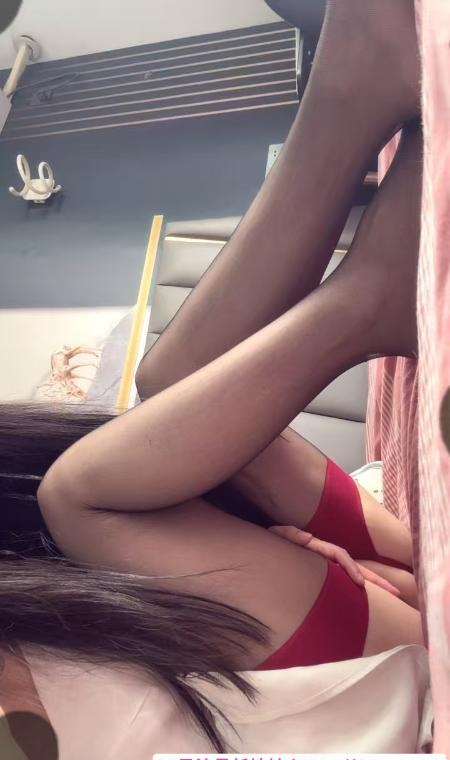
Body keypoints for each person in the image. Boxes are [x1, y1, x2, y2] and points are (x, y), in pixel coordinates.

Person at [0, 0, 424, 751]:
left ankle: (358, 98)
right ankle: (371, 290)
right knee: (81, 496)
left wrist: (327, 563)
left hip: (336, 632)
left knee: (169, 383)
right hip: (354, 712)